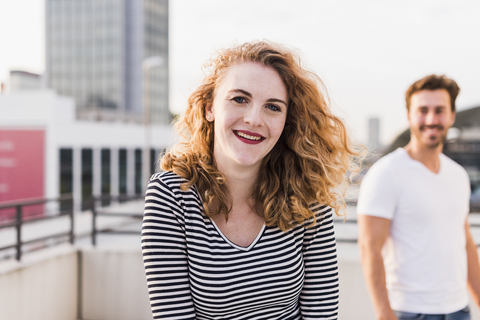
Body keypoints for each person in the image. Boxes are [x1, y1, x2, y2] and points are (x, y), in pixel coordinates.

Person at [141, 41, 361, 319]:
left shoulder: (307, 193)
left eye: (273, 107)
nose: (254, 119)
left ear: (286, 121)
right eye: (240, 99)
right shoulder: (171, 195)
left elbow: (321, 312)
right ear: (210, 108)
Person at [357, 74, 480, 320]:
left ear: (452, 116)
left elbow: (464, 242)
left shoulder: (457, 175)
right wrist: (384, 315)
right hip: (410, 312)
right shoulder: (386, 173)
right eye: (423, 110)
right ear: (409, 115)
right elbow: (370, 248)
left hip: (459, 310)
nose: (431, 119)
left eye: (439, 110)